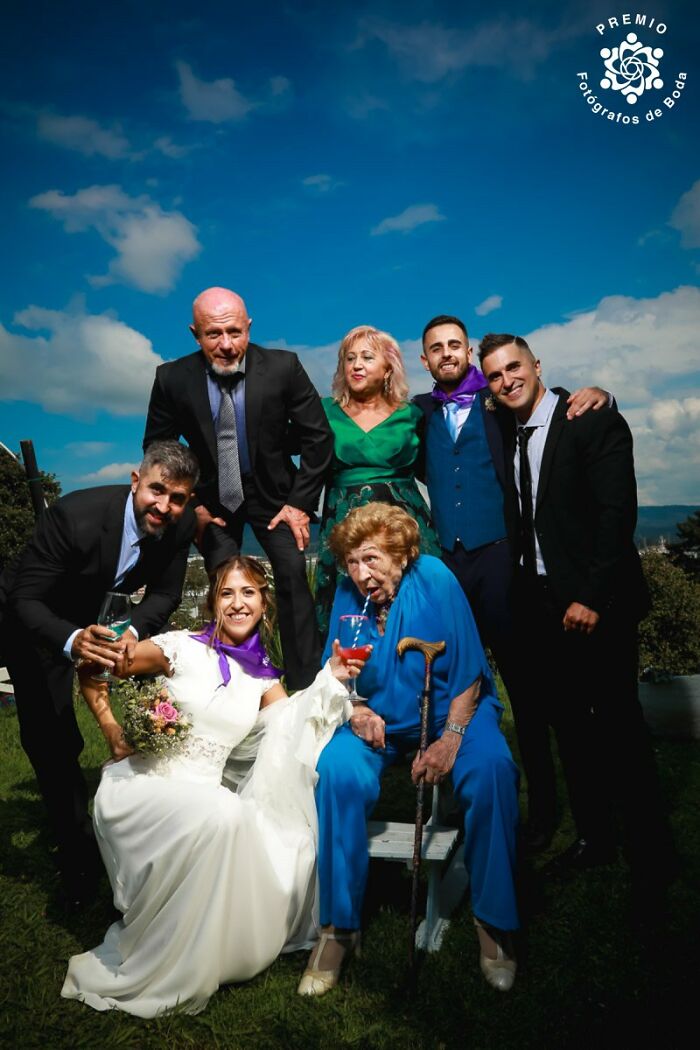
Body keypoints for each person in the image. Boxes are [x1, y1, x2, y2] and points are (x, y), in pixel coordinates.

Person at [61, 555, 361, 1017]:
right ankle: (163, 956)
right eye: (227, 593)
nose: (238, 603)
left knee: (245, 823)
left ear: (264, 603)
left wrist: (331, 680)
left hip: (202, 792)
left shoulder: (264, 679)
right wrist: (111, 728)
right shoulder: (178, 647)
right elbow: (91, 665)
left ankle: (200, 950)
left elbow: (292, 724)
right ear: (212, 603)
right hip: (144, 784)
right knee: (222, 814)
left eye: (248, 593)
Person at [478, 333, 675, 903]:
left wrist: (590, 596)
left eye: (514, 368)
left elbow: (618, 514)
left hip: (599, 603)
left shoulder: (590, 419)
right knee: (571, 728)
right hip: (541, 608)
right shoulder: (510, 436)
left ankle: (652, 852)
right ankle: (595, 839)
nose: (506, 380)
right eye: (494, 375)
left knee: (619, 724)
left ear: (537, 367)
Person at [298, 503, 520, 996]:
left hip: (452, 711)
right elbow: (338, 665)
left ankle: (495, 921)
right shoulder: (347, 593)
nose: (361, 574)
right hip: (379, 718)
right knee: (335, 769)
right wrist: (356, 709)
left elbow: (468, 670)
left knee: (492, 770)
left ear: (399, 552)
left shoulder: (434, 577)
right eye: (352, 562)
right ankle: (339, 927)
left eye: (372, 559)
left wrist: (449, 740)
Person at [414, 314, 610, 851]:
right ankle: (454, 800)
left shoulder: (499, 406)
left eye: (456, 344)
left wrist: (596, 393)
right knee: (451, 682)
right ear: (425, 360)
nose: (448, 353)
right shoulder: (420, 414)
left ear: (469, 353)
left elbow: (551, 404)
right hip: (449, 567)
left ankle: (545, 811)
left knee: (529, 693)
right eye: (437, 348)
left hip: (504, 564)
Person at [2, 441, 198, 907]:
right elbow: (24, 599)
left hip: (99, 614)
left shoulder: (180, 523)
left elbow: (166, 593)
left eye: (178, 498)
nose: (165, 506)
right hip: (32, 618)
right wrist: (71, 640)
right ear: (136, 481)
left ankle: (146, 822)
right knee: (52, 734)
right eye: (157, 491)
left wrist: (131, 631)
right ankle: (75, 855)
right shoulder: (74, 517)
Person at [143, 286, 333, 689]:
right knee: (226, 589)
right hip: (212, 504)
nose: (226, 345)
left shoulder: (284, 367)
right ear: (195, 334)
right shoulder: (172, 378)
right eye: (214, 335)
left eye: (235, 332)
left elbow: (319, 438)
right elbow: (158, 449)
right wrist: (189, 505)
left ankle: (304, 690)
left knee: (294, 576)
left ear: (248, 327)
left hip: (277, 500)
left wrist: (299, 504)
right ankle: (238, 687)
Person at [315, 325, 440, 635]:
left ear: (388, 367)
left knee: (418, 613)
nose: (357, 365)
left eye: (367, 357)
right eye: (349, 358)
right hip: (343, 526)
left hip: (406, 526)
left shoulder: (413, 414)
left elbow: (434, 468)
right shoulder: (322, 411)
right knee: (347, 619)